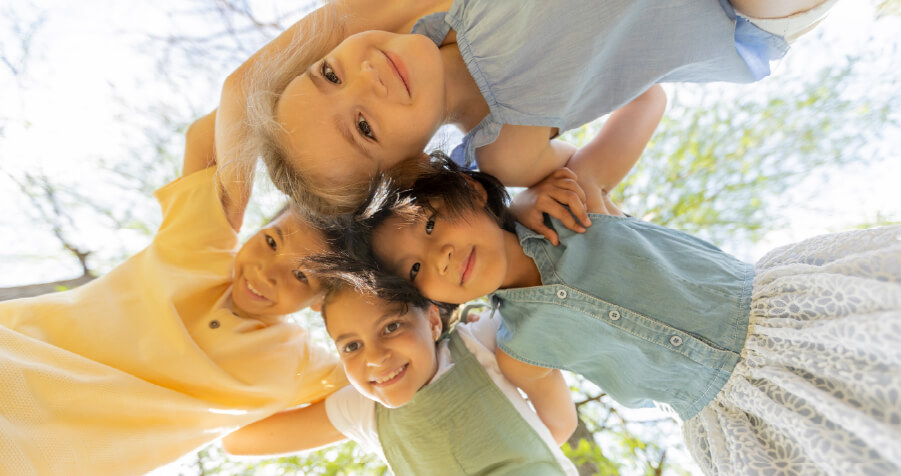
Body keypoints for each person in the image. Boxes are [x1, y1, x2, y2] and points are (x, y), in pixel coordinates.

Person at [347, 153, 901, 476]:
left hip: (797, 325)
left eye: (431, 223)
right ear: (430, 301)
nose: (438, 256)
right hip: (745, 420)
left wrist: (522, 196)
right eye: (415, 270)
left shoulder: (575, 203)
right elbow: (554, 429)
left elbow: (647, 98)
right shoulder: (521, 348)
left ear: (470, 191)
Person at [0, 111, 347, 476]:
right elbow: (212, 133)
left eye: (302, 276)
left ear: (321, 301)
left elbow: (372, 396)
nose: (268, 273)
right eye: (270, 241)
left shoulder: (296, 364)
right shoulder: (197, 250)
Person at [216, 0, 839, 216]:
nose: (365, 79)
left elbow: (240, 87)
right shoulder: (507, 147)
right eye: (363, 126)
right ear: (407, 169)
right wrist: (587, 178)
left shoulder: (435, 7)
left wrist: (219, 193)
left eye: (329, 72)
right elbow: (647, 96)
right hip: (736, 15)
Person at [223, 276, 587, 476]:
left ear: (431, 320)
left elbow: (558, 422)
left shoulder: (480, 339)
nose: (376, 358)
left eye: (391, 327)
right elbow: (237, 440)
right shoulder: (361, 408)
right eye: (351, 346)